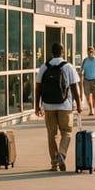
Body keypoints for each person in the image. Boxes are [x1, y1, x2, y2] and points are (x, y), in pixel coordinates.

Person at [34, 42, 83, 171]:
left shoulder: (44, 67)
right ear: (63, 52)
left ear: (51, 52)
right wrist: (78, 104)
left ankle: (54, 163)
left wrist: (37, 106)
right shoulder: (68, 67)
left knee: (52, 135)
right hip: (65, 105)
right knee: (66, 132)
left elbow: (38, 87)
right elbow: (74, 87)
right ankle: (62, 153)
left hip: (48, 106)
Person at [79, 46, 95, 116]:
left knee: (94, 95)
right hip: (87, 79)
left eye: (92, 52)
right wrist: (80, 75)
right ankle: (91, 108)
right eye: (89, 52)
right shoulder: (85, 60)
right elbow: (81, 70)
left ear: (94, 52)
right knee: (87, 94)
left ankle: (93, 107)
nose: (90, 53)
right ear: (87, 53)